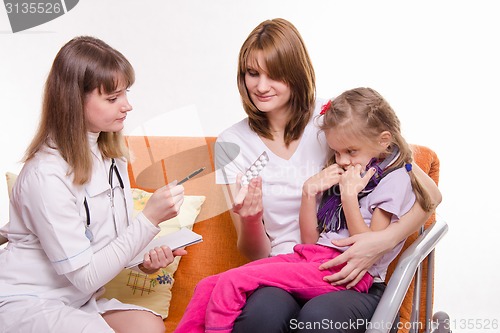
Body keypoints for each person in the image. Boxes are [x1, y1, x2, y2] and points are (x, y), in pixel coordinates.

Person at [209, 18, 442, 333]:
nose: (261, 87)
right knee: (262, 316)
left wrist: (380, 241)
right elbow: (255, 253)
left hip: (350, 270)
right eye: (252, 74)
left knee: (320, 318)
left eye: (274, 74)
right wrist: (251, 219)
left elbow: (425, 192)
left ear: (295, 73)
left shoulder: (330, 119)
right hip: (283, 270)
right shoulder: (230, 144)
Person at [175, 87, 435, 333]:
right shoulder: (347, 169)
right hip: (311, 258)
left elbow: (365, 246)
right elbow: (310, 240)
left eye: (350, 151)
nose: (342, 160)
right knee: (209, 285)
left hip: (347, 272)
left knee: (234, 282)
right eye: (336, 152)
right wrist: (309, 194)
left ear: (384, 141)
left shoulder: (393, 179)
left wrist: (348, 197)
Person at [0, 36, 186, 333]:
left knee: (148, 327)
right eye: (112, 98)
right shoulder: (46, 174)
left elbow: (108, 242)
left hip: (78, 299)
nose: (127, 106)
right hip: (28, 299)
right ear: (73, 101)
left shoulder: (111, 155)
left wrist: (146, 260)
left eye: (125, 93)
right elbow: (86, 275)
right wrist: (149, 218)